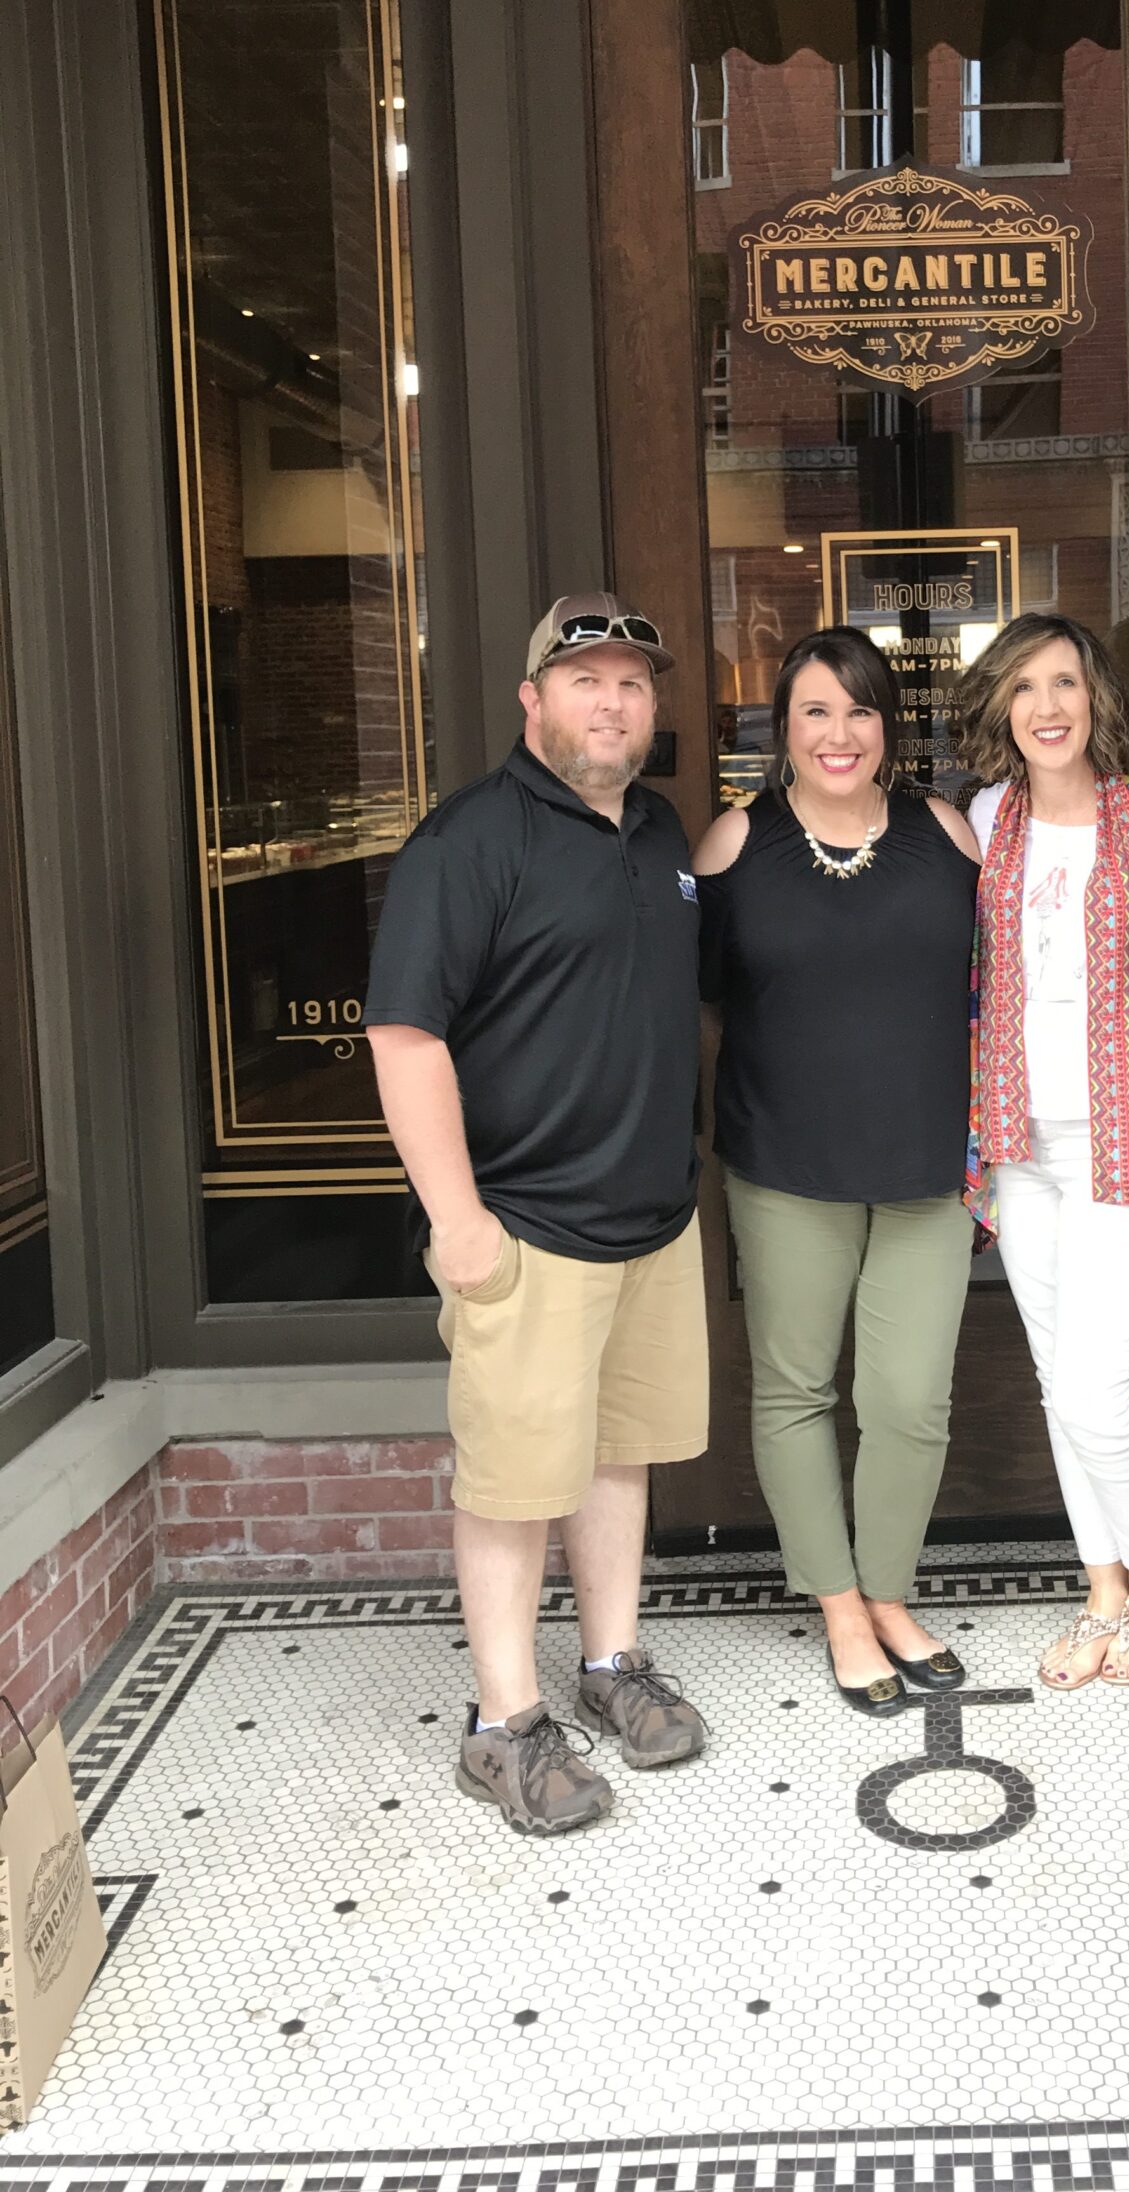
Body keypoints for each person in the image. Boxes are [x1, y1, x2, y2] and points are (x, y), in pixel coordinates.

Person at [365, 594, 709, 1836]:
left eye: (631, 682)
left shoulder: (661, 831)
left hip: (653, 1223)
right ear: (533, 699)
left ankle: (610, 1662)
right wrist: (458, 1220)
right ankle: (502, 1724)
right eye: (584, 679)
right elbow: (405, 1036)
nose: (611, 701)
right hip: (525, 1230)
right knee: (512, 1483)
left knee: (616, 1456)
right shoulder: (470, 839)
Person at [693, 628, 982, 1713]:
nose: (839, 733)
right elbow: (706, 999)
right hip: (785, 1163)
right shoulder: (734, 842)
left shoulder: (945, 830)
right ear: (782, 726)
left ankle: (891, 1591)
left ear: (887, 725)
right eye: (815, 710)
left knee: (910, 1398)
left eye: (860, 710)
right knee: (797, 1390)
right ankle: (839, 1605)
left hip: (928, 1164)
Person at [953, 613, 1129, 1690]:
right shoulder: (987, 817)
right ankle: (1103, 1586)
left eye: (1063, 682)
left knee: (1097, 1389)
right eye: (1024, 687)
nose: (1046, 706)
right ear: (1002, 709)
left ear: (1095, 698)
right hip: (1023, 1144)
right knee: (1059, 1380)